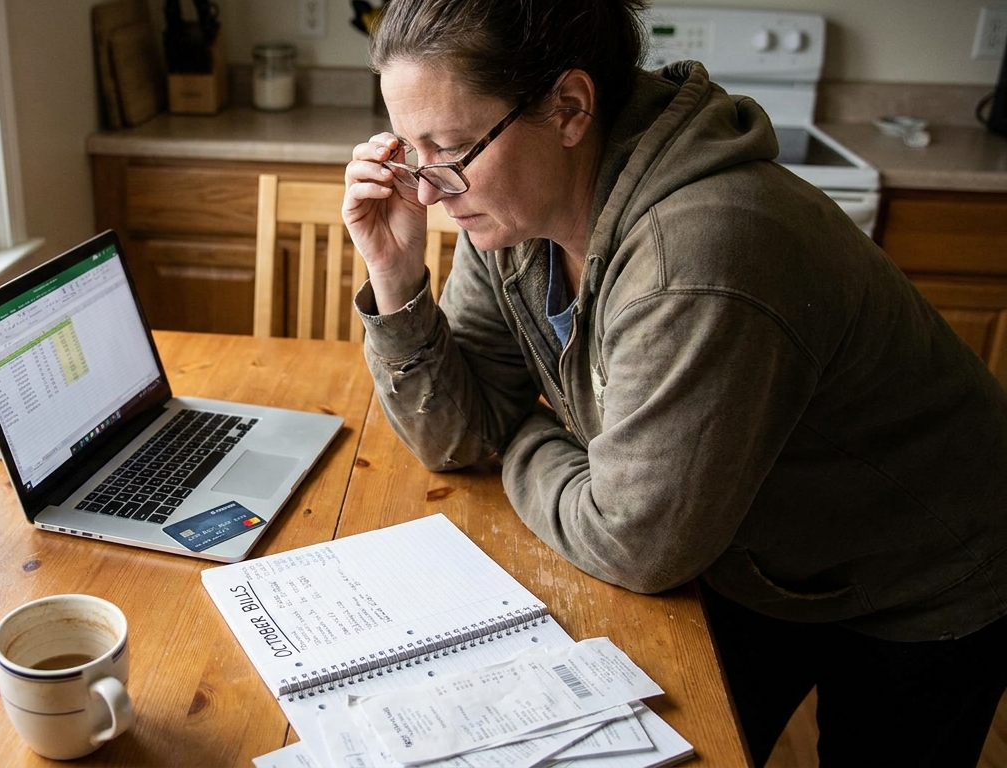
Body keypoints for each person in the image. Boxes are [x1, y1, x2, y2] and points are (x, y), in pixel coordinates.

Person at [341, 1, 1007, 766]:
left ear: (570, 109)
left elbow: (631, 541)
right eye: (411, 151)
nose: (427, 191)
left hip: (925, 569)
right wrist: (395, 277)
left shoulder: (699, 255)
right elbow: (459, 438)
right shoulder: (509, 209)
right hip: (744, 542)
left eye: (452, 147)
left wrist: (520, 433)